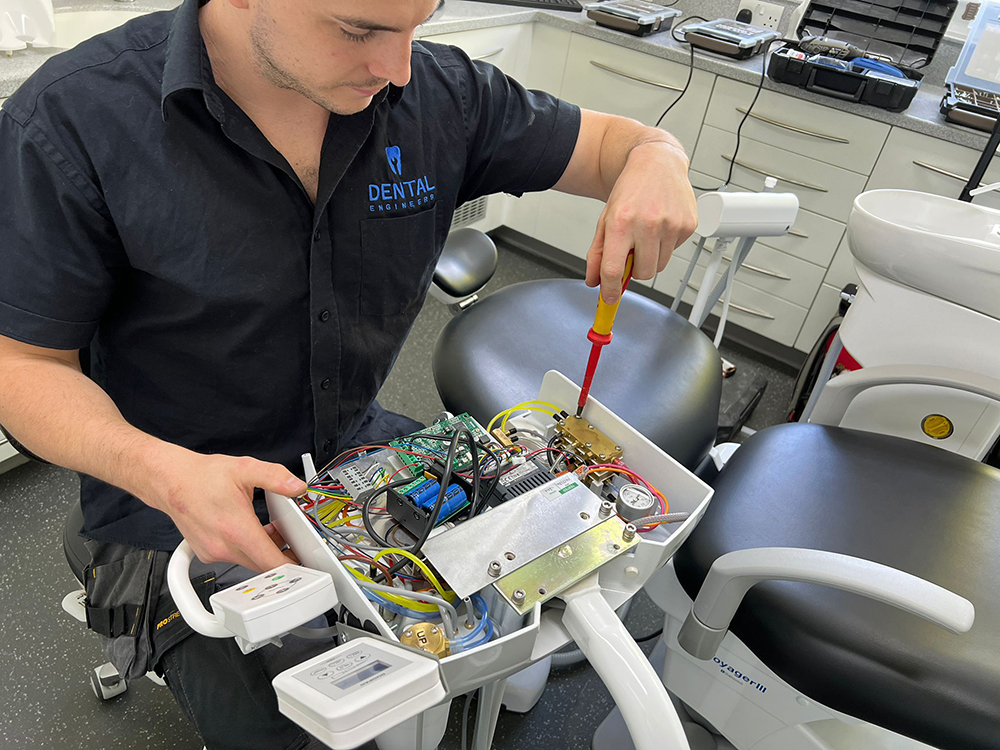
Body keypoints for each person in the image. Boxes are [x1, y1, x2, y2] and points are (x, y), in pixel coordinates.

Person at [0, 0, 697, 746]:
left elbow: (614, 146)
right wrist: (163, 472)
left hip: (354, 450)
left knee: (505, 608)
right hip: (166, 502)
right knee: (307, 732)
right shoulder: (72, 119)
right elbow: (22, 365)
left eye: (416, 27)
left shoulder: (441, 96)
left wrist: (657, 156)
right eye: (359, 30)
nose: (396, 69)